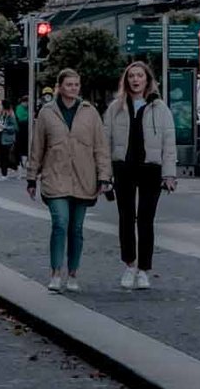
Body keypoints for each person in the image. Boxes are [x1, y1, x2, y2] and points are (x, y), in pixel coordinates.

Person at [26, 67, 111, 293]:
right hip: (55, 178)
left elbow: (101, 148)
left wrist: (104, 176)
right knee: (60, 223)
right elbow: (37, 147)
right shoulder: (47, 113)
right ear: (60, 87)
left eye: (76, 85)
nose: (73, 88)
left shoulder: (90, 112)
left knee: (76, 228)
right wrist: (31, 177)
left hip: (84, 179)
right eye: (69, 84)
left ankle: (73, 274)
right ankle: (55, 272)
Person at [105, 58, 177, 289]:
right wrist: (105, 175)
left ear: (147, 80)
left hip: (150, 168)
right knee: (126, 218)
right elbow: (105, 143)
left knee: (146, 219)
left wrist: (170, 174)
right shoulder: (115, 108)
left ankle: (144, 269)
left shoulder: (160, 108)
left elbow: (169, 142)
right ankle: (129, 265)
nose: (136, 80)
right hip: (123, 168)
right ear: (126, 80)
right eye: (132, 76)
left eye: (140, 76)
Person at [0, 99, 18, 177]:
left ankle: (5, 173)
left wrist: (5, 127)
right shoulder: (0, 114)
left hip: (7, 137)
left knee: (5, 156)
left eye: (0, 105)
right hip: (0, 136)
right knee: (1, 156)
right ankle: (8, 170)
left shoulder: (10, 115)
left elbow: (14, 127)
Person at [14, 94, 30, 171]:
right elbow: (21, 118)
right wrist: (29, 117)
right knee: (21, 147)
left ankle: (23, 162)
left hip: (25, 130)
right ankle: (20, 163)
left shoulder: (26, 109)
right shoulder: (19, 108)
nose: (27, 104)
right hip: (21, 130)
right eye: (27, 103)